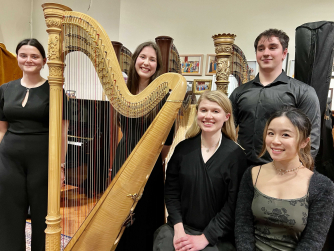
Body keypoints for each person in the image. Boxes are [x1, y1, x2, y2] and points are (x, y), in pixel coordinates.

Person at [153, 91, 248, 251]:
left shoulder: (236, 155)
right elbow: (171, 192)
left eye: (215, 111)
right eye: (203, 110)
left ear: (226, 116)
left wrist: (205, 238)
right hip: (180, 228)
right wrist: (179, 230)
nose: (208, 116)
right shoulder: (182, 149)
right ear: (197, 113)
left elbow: (233, 205)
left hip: (216, 235)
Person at [0, 38, 68, 250]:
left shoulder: (55, 91)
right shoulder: (5, 89)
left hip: (43, 160)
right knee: (9, 213)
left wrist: (60, 166)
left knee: (43, 215)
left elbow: (62, 132)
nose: (28, 60)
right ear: (18, 57)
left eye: (34, 56)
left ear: (44, 61)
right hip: (8, 160)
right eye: (23, 55)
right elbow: (2, 128)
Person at [235, 107, 334, 250]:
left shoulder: (323, 186)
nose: (275, 141)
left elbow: (313, 242)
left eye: (285, 135)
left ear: (304, 142)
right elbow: (242, 227)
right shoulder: (252, 174)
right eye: (270, 133)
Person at [113, 41, 174, 251]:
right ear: (135, 60)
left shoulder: (165, 97)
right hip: (123, 156)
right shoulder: (123, 91)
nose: (146, 63)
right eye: (142, 57)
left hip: (150, 164)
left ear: (157, 66)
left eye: (152, 59)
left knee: (145, 214)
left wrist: (149, 157)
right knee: (120, 214)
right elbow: (122, 125)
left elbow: (166, 143)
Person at [229, 29, 320, 167]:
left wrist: (295, 171)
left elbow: (311, 139)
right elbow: (226, 129)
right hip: (242, 169)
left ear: (284, 53)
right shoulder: (239, 92)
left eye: (272, 48)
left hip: (281, 170)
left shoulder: (304, 91)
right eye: (261, 49)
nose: (266, 53)